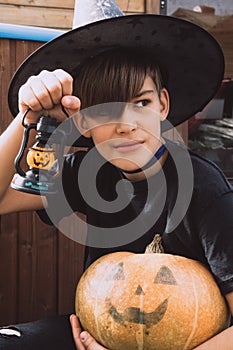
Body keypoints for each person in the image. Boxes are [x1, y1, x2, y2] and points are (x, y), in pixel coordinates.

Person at [0, 7, 233, 350]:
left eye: (141, 103)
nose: (127, 125)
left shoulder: (206, 191)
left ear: (163, 106)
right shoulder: (88, 172)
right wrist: (26, 116)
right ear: (82, 123)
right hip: (94, 334)